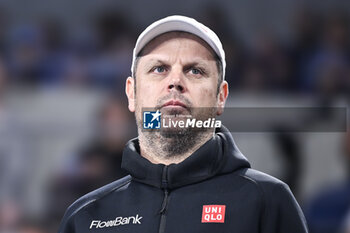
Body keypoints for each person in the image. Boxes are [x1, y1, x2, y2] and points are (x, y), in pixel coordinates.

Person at [58, 15, 308, 233]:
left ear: (221, 97)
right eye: (159, 69)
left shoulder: (268, 202)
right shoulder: (85, 217)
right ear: (132, 93)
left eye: (195, 71)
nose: (175, 81)